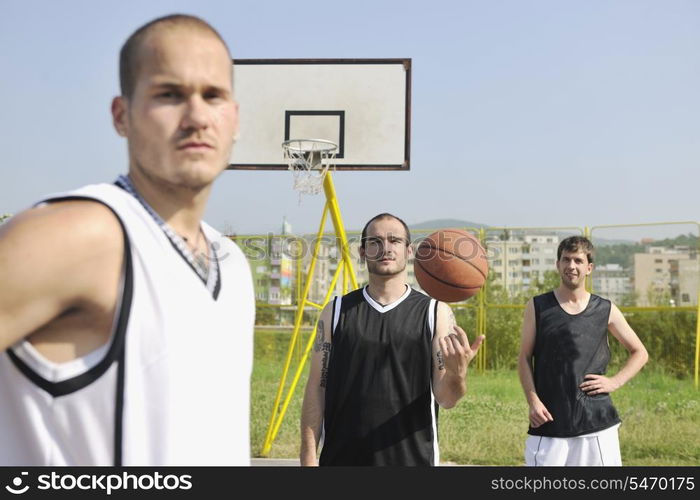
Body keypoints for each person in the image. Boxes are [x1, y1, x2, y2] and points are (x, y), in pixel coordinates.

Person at [0, 14, 255, 466]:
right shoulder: (81, 233)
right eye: (169, 95)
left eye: (213, 95)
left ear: (234, 117)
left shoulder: (231, 263)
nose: (197, 116)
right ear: (122, 115)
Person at [300, 213, 485, 466]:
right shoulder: (335, 311)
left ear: (408, 251)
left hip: (412, 461)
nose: (385, 248)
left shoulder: (435, 313)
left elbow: (447, 399)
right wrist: (308, 456)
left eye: (394, 240)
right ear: (363, 251)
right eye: (375, 241)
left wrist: (458, 374)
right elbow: (316, 388)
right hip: (342, 460)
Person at [517, 236, 648, 466]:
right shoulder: (538, 306)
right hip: (549, 422)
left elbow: (640, 352)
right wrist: (533, 401)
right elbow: (524, 358)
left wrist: (614, 381)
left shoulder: (605, 308)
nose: (571, 266)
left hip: (596, 424)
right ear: (558, 264)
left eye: (578, 260)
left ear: (589, 268)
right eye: (566, 260)